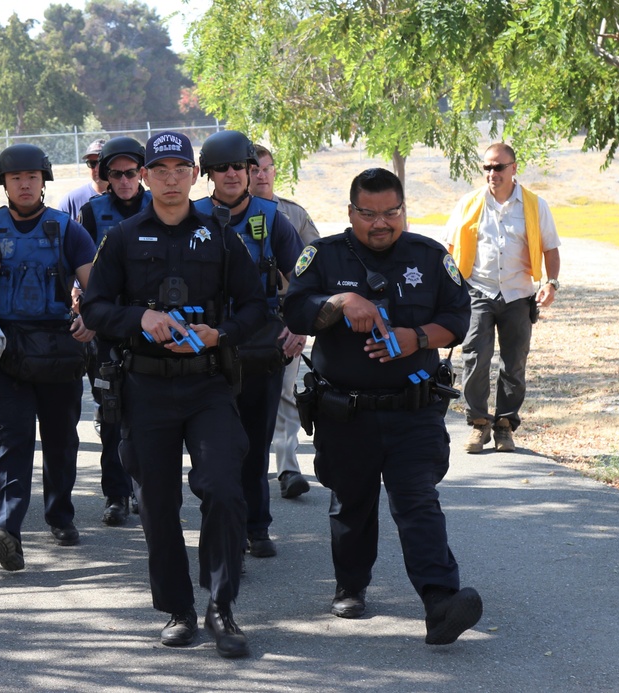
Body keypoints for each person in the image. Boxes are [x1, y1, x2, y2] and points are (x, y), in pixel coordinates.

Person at [81, 130, 266, 658]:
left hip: (207, 384)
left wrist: (220, 333)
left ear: (192, 174)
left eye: (178, 168)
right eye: (157, 169)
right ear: (143, 176)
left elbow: (256, 306)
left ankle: (221, 608)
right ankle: (179, 610)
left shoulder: (221, 235)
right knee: (158, 504)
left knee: (225, 490)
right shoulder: (120, 238)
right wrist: (140, 316)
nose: (168, 178)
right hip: (145, 387)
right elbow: (94, 309)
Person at [282, 167, 483, 645]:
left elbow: (457, 318)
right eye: (369, 214)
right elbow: (294, 308)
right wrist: (341, 301)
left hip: (412, 410)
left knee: (418, 502)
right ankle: (351, 585)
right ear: (351, 212)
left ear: (402, 210)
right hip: (345, 411)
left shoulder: (431, 257)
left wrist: (413, 339)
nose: (381, 223)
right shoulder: (323, 256)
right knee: (352, 504)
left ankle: (440, 602)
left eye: (391, 212)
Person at [0, 143, 97, 571]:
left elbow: (97, 286)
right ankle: (5, 530)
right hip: (3, 350)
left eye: (32, 177)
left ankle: (60, 515)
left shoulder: (67, 229)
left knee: (62, 438)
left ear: (43, 181)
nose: (24, 184)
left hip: (59, 349)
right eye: (15, 178)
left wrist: (92, 319)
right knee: (13, 438)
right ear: (3, 183)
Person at [195, 131, 303, 559]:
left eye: (239, 166)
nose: (233, 174)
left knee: (255, 443)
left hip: (260, 345)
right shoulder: (191, 215)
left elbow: (304, 279)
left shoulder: (272, 218)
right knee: (216, 446)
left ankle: (257, 526)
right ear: (208, 174)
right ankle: (223, 524)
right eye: (221, 168)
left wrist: (299, 326)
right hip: (204, 347)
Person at [445, 142, 561, 454]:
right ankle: (479, 424)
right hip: (477, 292)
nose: (492, 173)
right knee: (475, 359)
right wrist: (449, 289)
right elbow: (450, 249)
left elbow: (551, 248)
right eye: (487, 167)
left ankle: (505, 426)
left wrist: (550, 282)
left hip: (519, 294)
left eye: (498, 167)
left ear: (513, 168)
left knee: (514, 365)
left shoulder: (535, 206)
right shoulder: (468, 204)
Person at [77, 136, 152, 526]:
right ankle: (116, 495)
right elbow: (81, 269)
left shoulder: (160, 207)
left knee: (146, 416)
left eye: (130, 173)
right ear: (105, 177)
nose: (123, 181)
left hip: (150, 326)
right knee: (111, 414)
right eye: (115, 174)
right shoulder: (91, 214)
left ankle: (144, 489)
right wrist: (85, 312)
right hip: (108, 325)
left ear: (142, 173)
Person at [249, 144, 318, 499]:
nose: (261, 175)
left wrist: (304, 320)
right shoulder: (224, 215)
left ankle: (288, 468)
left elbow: (317, 267)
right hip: (241, 320)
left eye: (267, 169)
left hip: (284, 316)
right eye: (254, 169)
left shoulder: (293, 214)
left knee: (286, 392)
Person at [57, 138, 107, 221]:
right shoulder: (71, 201)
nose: (97, 169)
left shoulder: (125, 198)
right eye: (92, 163)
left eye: (102, 163)